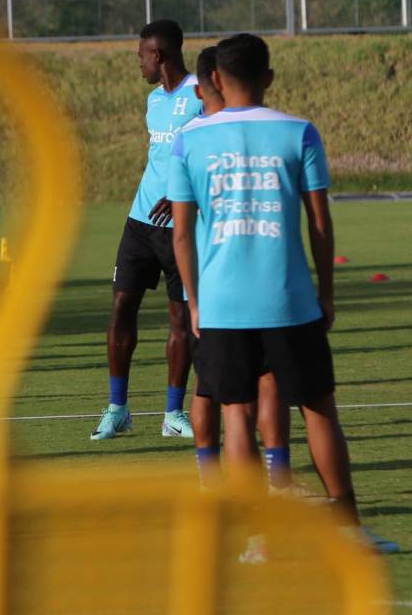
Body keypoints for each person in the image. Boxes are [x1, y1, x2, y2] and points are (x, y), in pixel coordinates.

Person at [169, 32, 397, 553]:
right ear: (269, 78)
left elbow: (182, 233)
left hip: (222, 305)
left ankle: (259, 538)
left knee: (236, 418)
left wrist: (196, 302)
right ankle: (350, 530)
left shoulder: (191, 139)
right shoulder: (299, 132)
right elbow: (320, 222)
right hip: (288, 299)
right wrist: (328, 292)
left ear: (218, 81)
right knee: (319, 411)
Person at [186, 46, 290, 492]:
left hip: (211, 285)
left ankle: (244, 488)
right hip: (231, 283)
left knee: (226, 390)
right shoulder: (205, 135)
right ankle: (253, 487)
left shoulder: (197, 136)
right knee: (233, 391)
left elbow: (176, 222)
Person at [94, 19, 202, 441]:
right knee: (121, 309)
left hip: (182, 227)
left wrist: (182, 194)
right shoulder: (153, 101)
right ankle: (118, 409)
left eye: (140, 55)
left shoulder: (199, 95)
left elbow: (212, 148)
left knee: (179, 317)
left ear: (157, 55)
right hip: (140, 222)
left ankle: (172, 414)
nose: (137, 62)